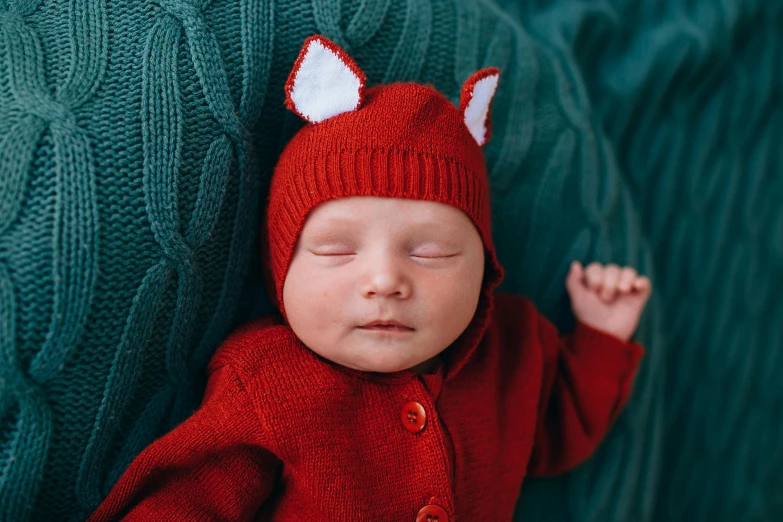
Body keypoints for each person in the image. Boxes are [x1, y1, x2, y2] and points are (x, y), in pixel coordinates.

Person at [88, 35, 651, 522]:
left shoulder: (514, 351)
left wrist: (601, 336)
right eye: (336, 250)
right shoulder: (266, 382)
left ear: (485, 270)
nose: (384, 280)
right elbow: (188, 501)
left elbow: (557, 431)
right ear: (281, 268)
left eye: (431, 253)